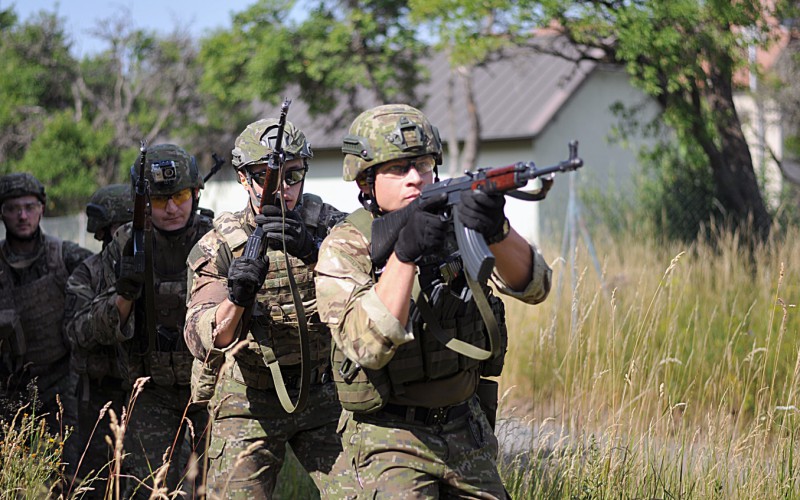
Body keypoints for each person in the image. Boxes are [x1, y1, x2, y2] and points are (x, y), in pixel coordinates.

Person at [314, 104, 553, 498]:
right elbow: (367, 348)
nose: (415, 179)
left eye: (423, 165)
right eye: (398, 169)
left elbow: (535, 286)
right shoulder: (346, 246)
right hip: (387, 440)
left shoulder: (456, 224)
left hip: (466, 431)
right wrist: (404, 255)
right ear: (366, 182)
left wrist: (495, 230)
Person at [184, 118, 347, 499]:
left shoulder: (329, 224)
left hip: (324, 392)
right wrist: (237, 297)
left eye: (295, 175)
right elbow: (202, 336)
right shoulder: (220, 244)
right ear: (243, 178)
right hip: (249, 399)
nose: (284, 190)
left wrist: (317, 252)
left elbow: (378, 287)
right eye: (268, 177)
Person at [87, 145, 212, 499]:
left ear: (195, 193)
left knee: (217, 488)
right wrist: (124, 296)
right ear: (143, 203)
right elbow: (94, 330)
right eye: (159, 200)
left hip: (210, 390)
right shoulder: (126, 243)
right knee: (148, 490)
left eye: (180, 196)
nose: (172, 208)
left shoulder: (217, 238)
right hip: (151, 393)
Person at [0, 172, 92, 477]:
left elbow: (107, 275)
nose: (22, 216)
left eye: (29, 206)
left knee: (67, 476)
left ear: (42, 208)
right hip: (7, 391)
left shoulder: (64, 256)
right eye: (13, 208)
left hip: (59, 387)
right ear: (2, 213)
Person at [62, 183, 132, 496]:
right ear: (105, 232)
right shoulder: (87, 273)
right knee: (96, 484)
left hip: (149, 393)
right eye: (122, 228)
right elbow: (75, 331)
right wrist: (120, 298)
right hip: (99, 399)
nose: (129, 235)